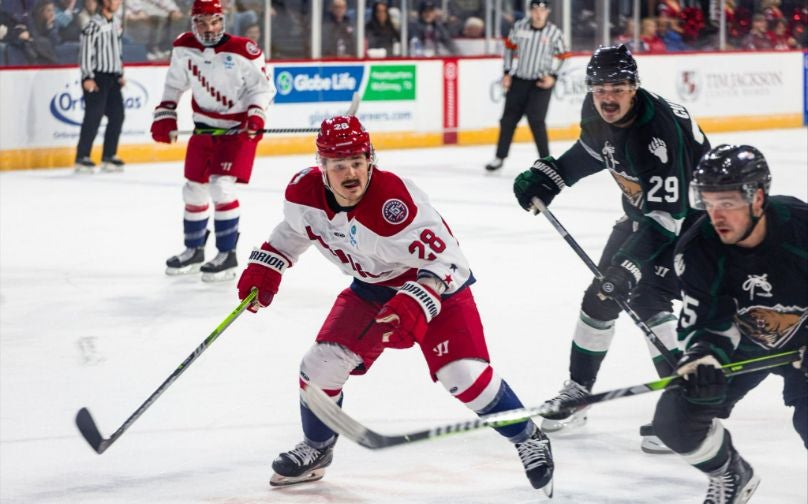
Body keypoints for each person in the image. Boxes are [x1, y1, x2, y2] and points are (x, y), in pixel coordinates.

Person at [236, 115, 555, 493]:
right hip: (371, 291)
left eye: (357, 161)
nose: (350, 172)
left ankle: (527, 436)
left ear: (371, 159)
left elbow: (452, 262)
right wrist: (269, 262)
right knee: (319, 366)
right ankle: (318, 448)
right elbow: (295, 229)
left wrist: (420, 297)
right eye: (339, 165)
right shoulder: (303, 192)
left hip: (438, 290)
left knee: (462, 376)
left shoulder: (396, 203)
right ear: (322, 167)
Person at [512, 44, 711, 453]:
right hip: (644, 216)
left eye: (618, 86)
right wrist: (554, 176)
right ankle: (577, 394)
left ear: (634, 87)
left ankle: (688, 410)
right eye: (599, 86)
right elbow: (593, 151)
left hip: (691, 224)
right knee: (599, 298)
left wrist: (630, 270)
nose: (607, 95)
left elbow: (668, 216)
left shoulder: (659, 131)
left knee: (647, 297)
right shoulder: (597, 109)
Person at [652, 144, 807, 504]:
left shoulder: (801, 226)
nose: (716, 215)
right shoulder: (697, 249)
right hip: (746, 346)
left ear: (758, 198)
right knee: (675, 418)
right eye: (708, 203)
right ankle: (730, 473)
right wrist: (703, 358)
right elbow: (705, 321)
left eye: (728, 203)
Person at [150, 0, 275, 282]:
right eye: (202, 23)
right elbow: (174, 83)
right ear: (193, 23)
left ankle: (227, 255)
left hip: (237, 130)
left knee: (221, 186)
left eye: (215, 21)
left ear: (223, 20)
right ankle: (194, 250)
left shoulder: (243, 50)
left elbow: (263, 88)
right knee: (193, 189)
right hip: (203, 128)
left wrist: (256, 116)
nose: (209, 28)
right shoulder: (183, 47)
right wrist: (166, 114)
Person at [485, 0, 565, 172]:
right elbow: (508, 49)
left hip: (540, 83)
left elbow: (564, 56)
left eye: (542, 10)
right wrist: (507, 72)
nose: (538, 13)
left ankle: (546, 161)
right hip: (519, 80)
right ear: (530, 11)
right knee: (507, 121)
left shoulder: (554, 33)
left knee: (537, 121)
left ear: (547, 12)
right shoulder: (519, 27)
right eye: (535, 9)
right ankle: (499, 157)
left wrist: (553, 76)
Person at [74, 0, 125, 174]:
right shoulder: (93, 25)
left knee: (117, 115)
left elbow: (117, 50)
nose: (118, 2)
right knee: (93, 116)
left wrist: (120, 73)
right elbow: (86, 52)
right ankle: (82, 157)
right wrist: (87, 76)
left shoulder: (116, 22)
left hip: (112, 77)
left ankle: (109, 155)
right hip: (97, 77)